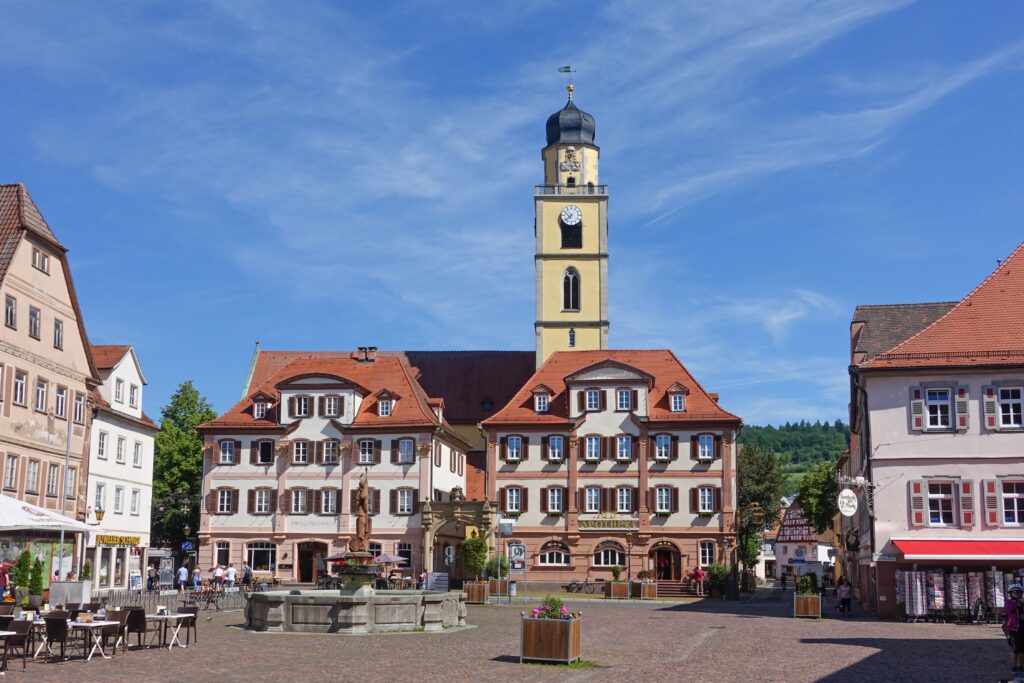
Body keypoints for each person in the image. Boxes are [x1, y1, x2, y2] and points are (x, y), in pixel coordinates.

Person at [1005, 583, 1024, 675]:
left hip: (1022, 627)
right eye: (1014, 592)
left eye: (1018, 592)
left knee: (1022, 648)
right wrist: (1017, 603)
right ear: (1011, 593)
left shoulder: (1022, 602)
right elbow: (1010, 610)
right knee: (1015, 648)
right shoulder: (1009, 602)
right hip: (1013, 628)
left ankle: (1020, 666)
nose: (1016, 594)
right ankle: (1014, 665)